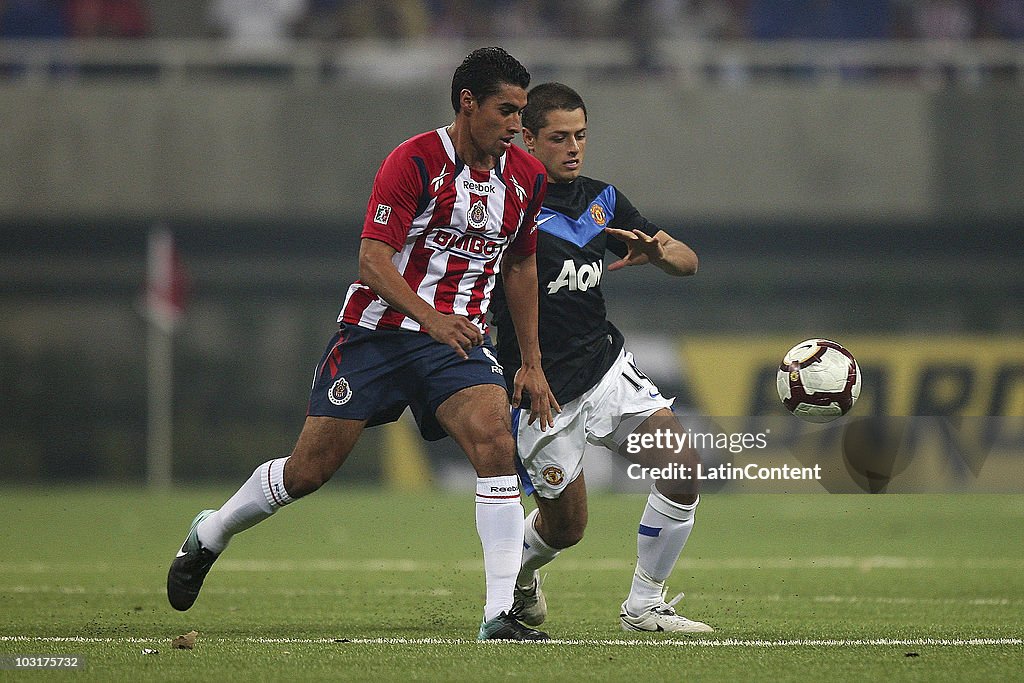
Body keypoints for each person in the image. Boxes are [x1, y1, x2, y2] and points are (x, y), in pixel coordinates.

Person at [166, 46, 559, 642]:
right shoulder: (414, 161)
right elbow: (372, 263)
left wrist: (531, 361)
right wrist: (430, 317)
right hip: (376, 334)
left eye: (521, 113)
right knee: (307, 472)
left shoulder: (526, 177)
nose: (516, 125)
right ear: (467, 103)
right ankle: (212, 532)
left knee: (496, 442)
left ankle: (498, 614)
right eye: (506, 110)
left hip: (455, 343)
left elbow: (522, 267)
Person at [490, 82, 712, 633]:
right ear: (529, 140)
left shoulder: (602, 199)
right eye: (559, 137)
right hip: (541, 388)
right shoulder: (501, 205)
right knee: (566, 529)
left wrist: (659, 252)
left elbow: (688, 262)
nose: (574, 148)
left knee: (681, 466)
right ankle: (517, 574)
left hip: (605, 368)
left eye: (581, 136)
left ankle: (645, 605)